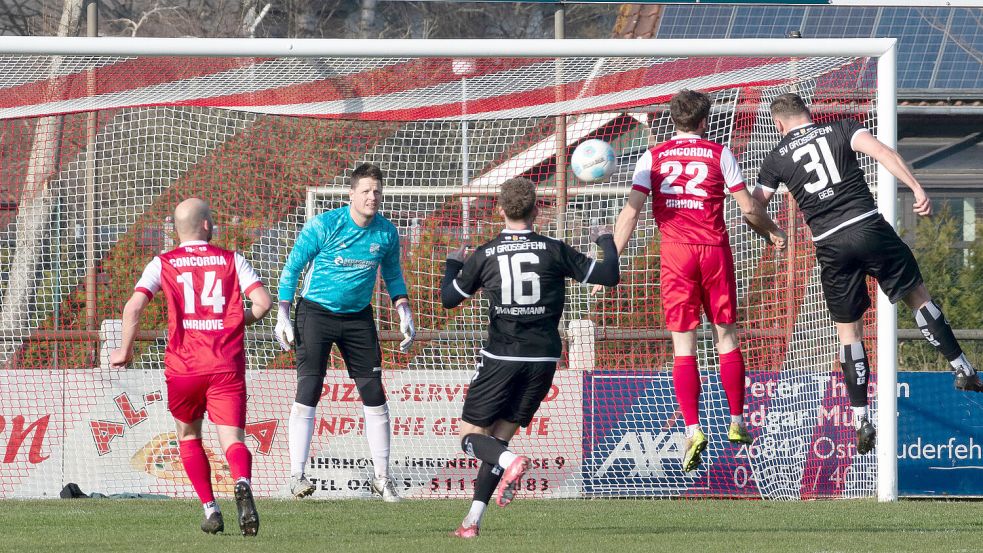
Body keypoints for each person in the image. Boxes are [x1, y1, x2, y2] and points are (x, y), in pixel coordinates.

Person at [753, 92, 983, 455]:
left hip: (830, 244)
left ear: (778, 124)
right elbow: (885, 154)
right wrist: (917, 188)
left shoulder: (777, 157)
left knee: (850, 335)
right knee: (918, 297)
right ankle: (962, 367)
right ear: (809, 113)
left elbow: (753, 208)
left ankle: (861, 417)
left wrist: (772, 232)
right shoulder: (842, 129)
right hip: (868, 226)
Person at [607, 89, 787, 473]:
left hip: (675, 255)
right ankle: (737, 421)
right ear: (705, 121)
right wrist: (773, 231)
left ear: (673, 119)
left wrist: (608, 262)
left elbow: (630, 214)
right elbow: (749, 209)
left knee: (684, 348)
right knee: (727, 337)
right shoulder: (720, 153)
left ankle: (693, 429)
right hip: (714, 252)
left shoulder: (651, 157)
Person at [441, 177, 621, 538]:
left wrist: (451, 264)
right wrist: (605, 241)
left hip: (502, 357)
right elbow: (609, 275)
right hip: (544, 360)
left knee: (469, 437)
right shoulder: (554, 249)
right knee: (498, 441)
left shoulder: (485, 253)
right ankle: (471, 522)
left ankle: (510, 462)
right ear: (537, 210)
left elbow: (448, 298)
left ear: (500, 210)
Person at [110, 198, 272, 536]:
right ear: (208, 226)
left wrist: (125, 349)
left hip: (184, 367)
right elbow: (263, 303)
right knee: (232, 439)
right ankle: (241, 481)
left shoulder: (163, 262)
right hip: (225, 364)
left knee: (188, 435)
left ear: (177, 231)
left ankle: (211, 509)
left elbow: (134, 305)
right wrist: (231, 322)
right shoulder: (232, 260)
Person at [275, 162, 415, 502]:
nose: (372, 196)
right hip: (315, 313)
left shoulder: (386, 232)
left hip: (358, 318)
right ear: (351, 194)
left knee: (374, 394)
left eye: (377, 191)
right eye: (365, 191)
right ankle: (297, 476)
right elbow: (292, 268)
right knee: (308, 388)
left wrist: (404, 310)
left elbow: (393, 275)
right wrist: (282, 313)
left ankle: (382, 479)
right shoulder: (324, 225)